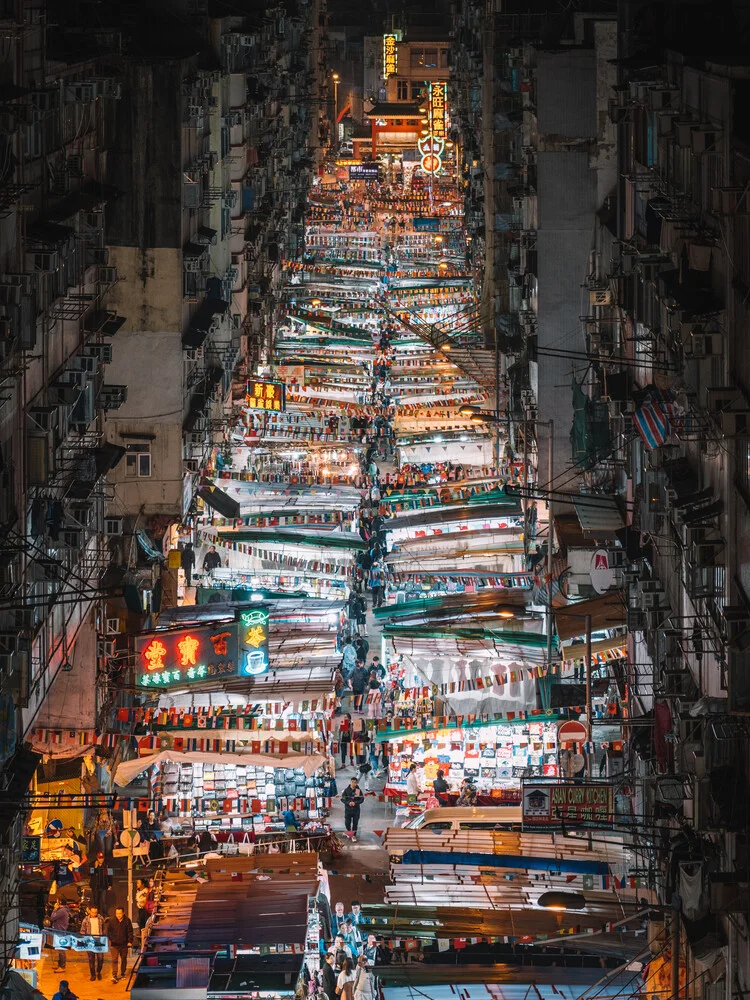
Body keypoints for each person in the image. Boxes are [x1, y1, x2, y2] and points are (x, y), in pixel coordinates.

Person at [107, 905, 133, 983]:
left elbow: (130, 932)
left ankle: (123, 973)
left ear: (123, 913)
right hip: (114, 945)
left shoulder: (127, 921)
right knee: (114, 960)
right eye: (117, 913)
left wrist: (129, 941)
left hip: (124, 945)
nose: (118, 915)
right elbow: (109, 932)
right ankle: (114, 975)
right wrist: (111, 939)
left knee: (123, 959)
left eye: (120, 913)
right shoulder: (112, 921)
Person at [80, 906, 106, 981]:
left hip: (99, 941)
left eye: (95, 912)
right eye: (93, 912)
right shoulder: (85, 920)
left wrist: (103, 936)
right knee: (91, 959)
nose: (94, 914)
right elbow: (82, 931)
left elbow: (104, 928)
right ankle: (93, 974)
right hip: (90, 941)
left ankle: (98, 971)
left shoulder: (100, 919)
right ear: (90, 912)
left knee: (100, 958)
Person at [341, 777, 364, 841]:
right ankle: (349, 832)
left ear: (356, 783)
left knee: (355, 823)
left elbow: (361, 799)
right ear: (350, 782)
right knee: (347, 822)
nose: (353, 784)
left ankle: (354, 835)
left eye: (355, 782)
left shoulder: (357, 790)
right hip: (348, 810)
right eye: (352, 782)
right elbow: (342, 799)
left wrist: (355, 803)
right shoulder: (346, 790)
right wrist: (348, 803)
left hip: (356, 810)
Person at [49, 899, 70, 969]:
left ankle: (62, 966)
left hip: (60, 932)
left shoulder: (62, 911)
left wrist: (55, 909)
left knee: (61, 950)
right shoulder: (63, 910)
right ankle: (60, 964)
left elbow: (52, 918)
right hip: (60, 931)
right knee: (60, 949)